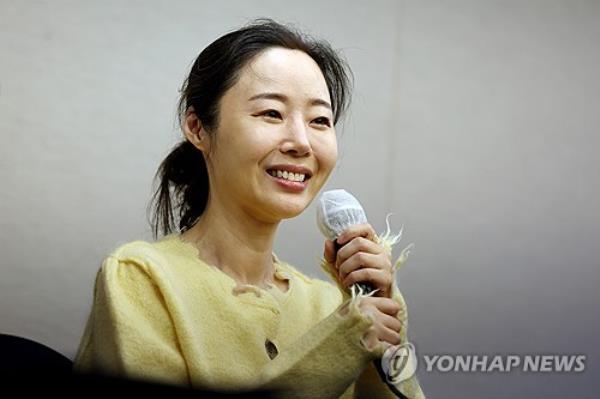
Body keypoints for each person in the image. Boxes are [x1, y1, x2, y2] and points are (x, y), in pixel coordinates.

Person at [73, 18, 425, 399]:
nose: (301, 142)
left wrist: (387, 323)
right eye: (271, 113)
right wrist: (342, 342)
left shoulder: (334, 304)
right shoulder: (140, 279)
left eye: (320, 120)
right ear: (197, 128)